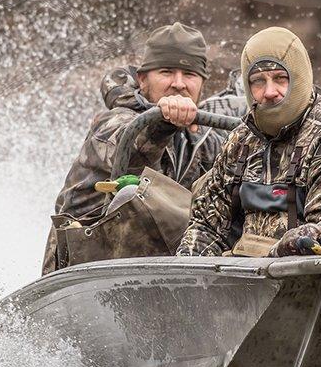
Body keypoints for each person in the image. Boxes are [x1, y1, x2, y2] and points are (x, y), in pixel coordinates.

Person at [178, 26, 321, 257]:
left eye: (280, 78)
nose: (269, 91)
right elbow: (205, 226)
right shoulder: (241, 140)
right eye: (258, 81)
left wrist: (261, 262)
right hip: (253, 280)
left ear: (300, 78)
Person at [43, 22, 231, 273]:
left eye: (189, 75)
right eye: (166, 72)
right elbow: (131, 155)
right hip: (83, 266)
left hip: (163, 271)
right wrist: (162, 123)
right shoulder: (114, 121)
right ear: (142, 80)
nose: (179, 83)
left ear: (202, 84)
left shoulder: (204, 140)